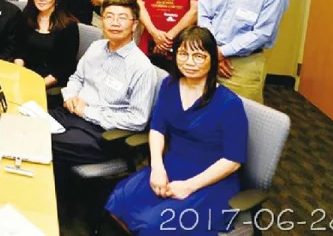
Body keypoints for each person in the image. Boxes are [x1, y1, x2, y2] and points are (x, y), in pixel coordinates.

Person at [106, 26, 249, 236]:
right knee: (119, 199)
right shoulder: (170, 85)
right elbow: (157, 128)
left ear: (212, 59)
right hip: (171, 166)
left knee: (156, 225)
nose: (189, 62)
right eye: (183, 54)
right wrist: (157, 167)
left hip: (210, 180)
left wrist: (189, 186)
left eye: (198, 56)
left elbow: (233, 160)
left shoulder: (230, 104)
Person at [53, 0, 158, 166]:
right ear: (102, 21)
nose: (115, 23)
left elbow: (137, 119)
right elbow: (77, 78)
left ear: (134, 25)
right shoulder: (96, 47)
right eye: (109, 16)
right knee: (30, 125)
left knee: (44, 141)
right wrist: (70, 96)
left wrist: (87, 112)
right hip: (70, 113)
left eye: (122, 18)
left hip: (102, 132)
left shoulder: (142, 68)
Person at [13, 0, 79, 110]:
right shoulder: (27, 17)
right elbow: (19, 51)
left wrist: (37, 85)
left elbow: (65, 68)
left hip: (52, 85)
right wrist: (21, 75)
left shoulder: (68, 25)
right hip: (26, 77)